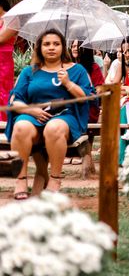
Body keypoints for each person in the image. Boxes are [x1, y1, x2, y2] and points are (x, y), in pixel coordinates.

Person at [7, 29, 93, 197]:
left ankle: (55, 178)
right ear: (40, 48)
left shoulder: (77, 70)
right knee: (21, 127)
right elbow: (15, 100)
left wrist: (68, 83)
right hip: (33, 115)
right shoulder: (29, 71)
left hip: (65, 117)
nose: (51, 48)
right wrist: (32, 110)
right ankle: (20, 179)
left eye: (56, 44)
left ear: (63, 47)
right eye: (47, 44)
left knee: (53, 128)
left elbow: (86, 98)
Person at [69, 40, 105, 168]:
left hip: (88, 106)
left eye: (78, 46)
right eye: (73, 46)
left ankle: (79, 153)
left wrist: (83, 92)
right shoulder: (67, 66)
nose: (75, 48)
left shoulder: (93, 67)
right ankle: (70, 152)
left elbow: (99, 89)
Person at [0, 0, 18, 122]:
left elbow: (1, 38)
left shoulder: (12, 19)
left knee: (3, 92)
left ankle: (3, 123)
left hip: (3, 62)